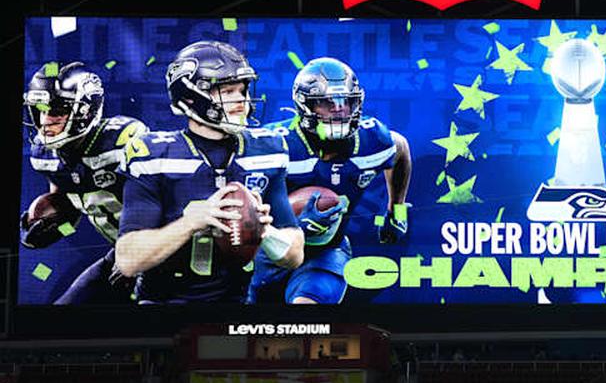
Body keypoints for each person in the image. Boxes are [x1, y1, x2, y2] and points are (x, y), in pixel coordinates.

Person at [115, 41, 304, 302]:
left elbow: (295, 256)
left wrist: (265, 233)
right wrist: (190, 223)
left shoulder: (267, 149)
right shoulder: (154, 154)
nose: (241, 100)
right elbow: (127, 260)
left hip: (236, 308)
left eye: (242, 90)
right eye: (227, 91)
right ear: (190, 97)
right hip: (162, 307)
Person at [248, 57, 411, 304]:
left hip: (326, 251)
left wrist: (396, 210)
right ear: (305, 106)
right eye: (326, 103)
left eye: (346, 101)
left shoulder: (372, 140)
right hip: (269, 252)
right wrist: (290, 224)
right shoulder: (275, 143)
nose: (338, 109)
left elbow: (400, 149)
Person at [21, 61, 148, 304]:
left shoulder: (121, 141)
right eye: (40, 109)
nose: (45, 120)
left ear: (84, 111)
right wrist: (52, 224)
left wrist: (141, 256)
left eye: (56, 110)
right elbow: (67, 203)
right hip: (121, 253)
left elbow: (162, 205)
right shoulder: (45, 154)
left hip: (160, 249)